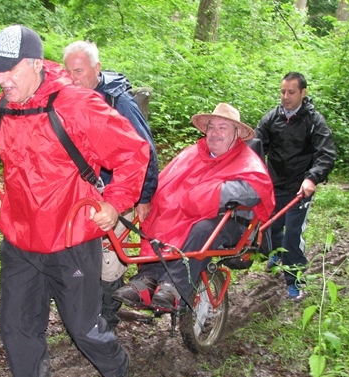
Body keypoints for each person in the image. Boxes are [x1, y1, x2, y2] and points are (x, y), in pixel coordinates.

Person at [0, 25, 150, 377]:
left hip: (70, 235)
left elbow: (134, 152)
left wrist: (115, 202)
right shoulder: (4, 107)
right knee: (16, 323)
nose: (2, 80)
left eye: (10, 70)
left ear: (37, 64)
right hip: (20, 237)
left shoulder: (75, 105)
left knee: (82, 325)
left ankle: (116, 369)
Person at [113, 103, 275, 311]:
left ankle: (174, 286)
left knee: (201, 229)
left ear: (236, 133)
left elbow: (255, 190)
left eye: (222, 127)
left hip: (228, 220)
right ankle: (147, 278)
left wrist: (212, 192)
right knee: (158, 217)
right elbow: (167, 183)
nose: (215, 133)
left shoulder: (245, 159)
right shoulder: (192, 154)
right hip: (184, 215)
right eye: (211, 127)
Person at [63, 40, 159, 331]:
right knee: (83, 256)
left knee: (109, 260)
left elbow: (144, 150)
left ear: (97, 69)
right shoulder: (66, 101)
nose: (73, 78)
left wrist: (143, 197)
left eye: (78, 71)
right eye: (68, 72)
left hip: (117, 193)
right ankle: (88, 314)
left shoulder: (119, 103)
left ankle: (107, 319)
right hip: (82, 196)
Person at [255, 72, 336, 301]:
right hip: (274, 184)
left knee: (292, 234)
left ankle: (294, 279)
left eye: (291, 92)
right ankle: (276, 253)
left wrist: (312, 178)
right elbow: (256, 147)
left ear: (303, 93)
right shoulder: (271, 118)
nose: (286, 97)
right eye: (283, 92)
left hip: (300, 188)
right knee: (269, 227)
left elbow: (326, 153)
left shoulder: (313, 121)